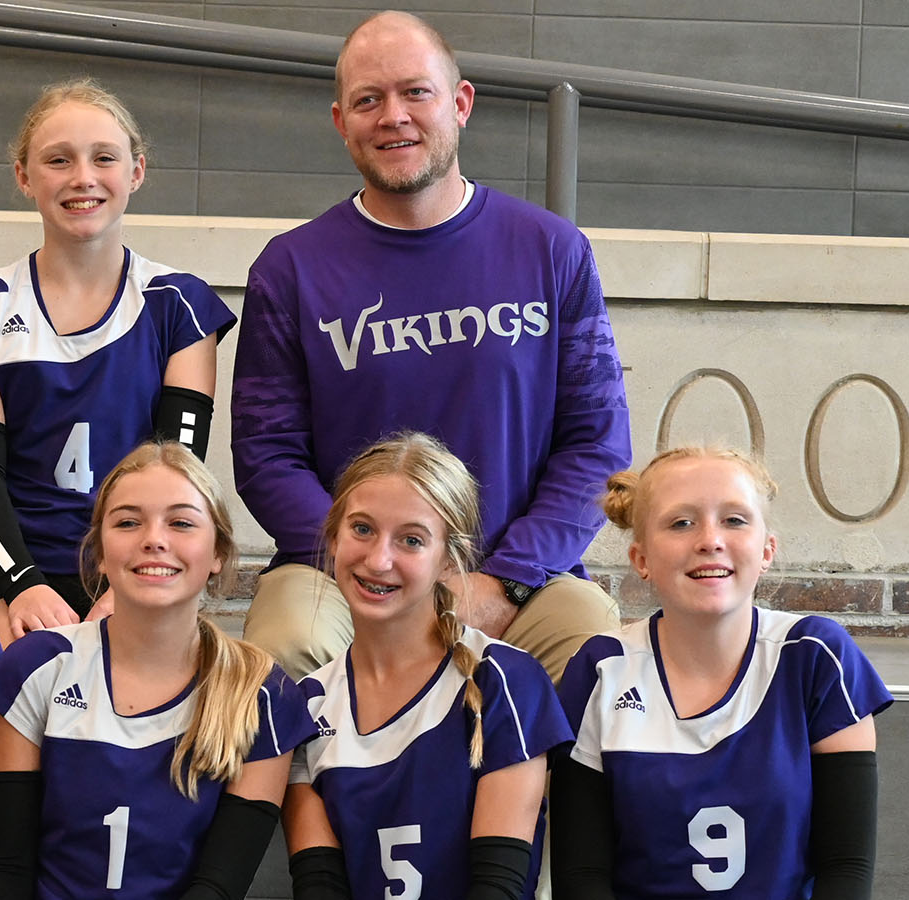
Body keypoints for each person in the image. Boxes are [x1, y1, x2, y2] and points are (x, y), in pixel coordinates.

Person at [231, 9, 631, 682]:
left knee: (592, 647)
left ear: (460, 102)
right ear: (341, 121)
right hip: (345, 571)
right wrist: (369, 561)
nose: (394, 115)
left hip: (512, 573)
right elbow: (268, 454)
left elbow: (595, 443)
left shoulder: (551, 251)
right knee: (288, 643)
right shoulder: (291, 268)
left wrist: (504, 582)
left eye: (415, 91)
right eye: (369, 99)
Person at [0, 78, 235, 646]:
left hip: (142, 566)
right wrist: (22, 584)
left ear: (136, 172)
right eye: (59, 160)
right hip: (19, 570)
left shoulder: (179, 306)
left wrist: (121, 592)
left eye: (104, 158)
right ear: (25, 177)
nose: (83, 177)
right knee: (19, 672)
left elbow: (175, 472)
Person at [0, 441, 314, 900]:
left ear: (218, 552)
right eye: (128, 522)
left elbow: (217, 888)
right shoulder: (37, 666)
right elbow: (6, 869)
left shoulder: (260, 694)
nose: (153, 539)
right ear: (99, 551)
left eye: (181, 522)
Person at [550, 447, 888, 900]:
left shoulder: (814, 656)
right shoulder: (602, 669)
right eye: (681, 523)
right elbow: (582, 876)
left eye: (734, 520)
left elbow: (846, 869)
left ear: (767, 549)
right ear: (641, 558)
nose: (710, 539)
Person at [282, 432, 571, 900]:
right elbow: (319, 886)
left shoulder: (502, 681)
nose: (379, 559)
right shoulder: (307, 706)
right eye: (361, 529)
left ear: (447, 560)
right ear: (332, 537)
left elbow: (500, 885)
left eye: (412, 540)